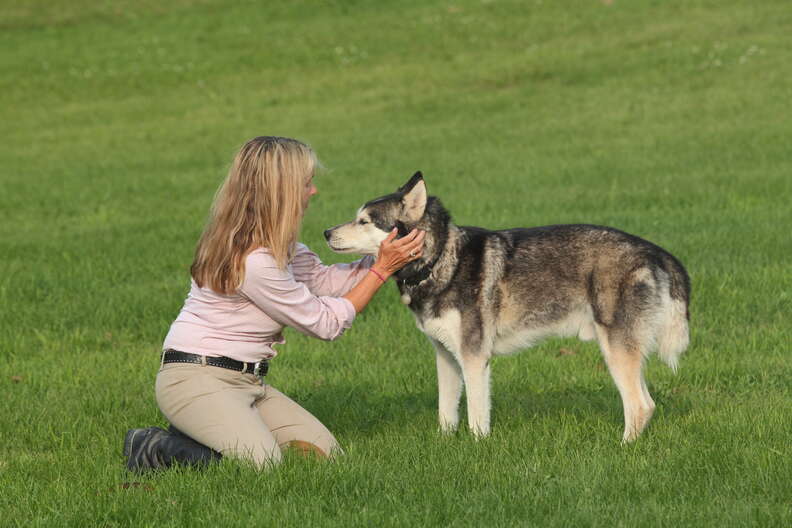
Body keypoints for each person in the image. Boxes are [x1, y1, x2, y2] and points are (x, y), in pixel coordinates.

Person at [124, 136, 425, 472]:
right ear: (280, 191)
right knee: (263, 466)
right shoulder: (254, 261)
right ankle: (156, 446)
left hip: (247, 382)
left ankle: (207, 428)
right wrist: (383, 269)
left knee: (324, 456)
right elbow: (325, 325)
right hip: (195, 379)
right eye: (306, 183)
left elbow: (328, 283)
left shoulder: (284, 248)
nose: (313, 192)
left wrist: (386, 251)